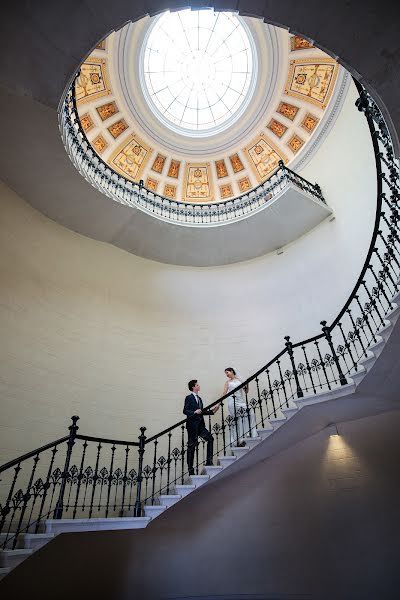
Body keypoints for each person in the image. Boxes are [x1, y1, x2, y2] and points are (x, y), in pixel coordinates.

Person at [183, 380, 219, 476]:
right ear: (193, 387)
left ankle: (209, 461)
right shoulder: (189, 398)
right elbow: (185, 410)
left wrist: (213, 411)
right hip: (192, 426)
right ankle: (191, 470)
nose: (199, 386)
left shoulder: (199, 398)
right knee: (192, 446)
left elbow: (201, 411)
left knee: (210, 438)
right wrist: (194, 412)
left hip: (200, 425)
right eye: (197, 385)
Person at [223, 367, 256, 447]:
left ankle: (248, 434)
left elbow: (246, 391)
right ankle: (239, 439)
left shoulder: (239, 380)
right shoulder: (227, 382)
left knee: (250, 413)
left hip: (240, 401)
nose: (227, 375)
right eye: (226, 373)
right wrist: (218, 404)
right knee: (238, 419)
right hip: (232, 402)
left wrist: (247, 384)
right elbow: (224, 393)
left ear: (232, 371)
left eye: (227, 372)